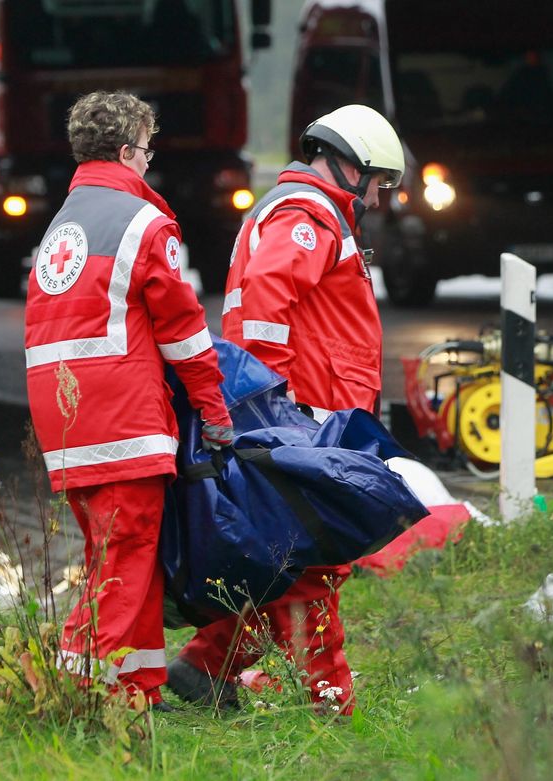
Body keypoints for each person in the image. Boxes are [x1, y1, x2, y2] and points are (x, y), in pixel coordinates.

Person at [166, 104, 405, 715]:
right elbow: (270, 300)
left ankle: (205, 668)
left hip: (305, 413)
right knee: (314, 562)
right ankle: (329, 700)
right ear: (351, 167)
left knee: (284, 554)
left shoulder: (304, 212)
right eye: (377, 183)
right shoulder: (308, 215)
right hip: (307, 416)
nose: (377, 199)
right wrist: (280, 408)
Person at [24, 91, 233, 712]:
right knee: (123, 561)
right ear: (125, 150)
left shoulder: (65, 223)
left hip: (68, 419)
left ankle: (139, 690)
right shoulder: (142, 222)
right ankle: (77, 696)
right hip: (123, 420)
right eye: (146, 149)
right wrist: (215, 410)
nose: (149, 161)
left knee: (120, 557)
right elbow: (185, 331)